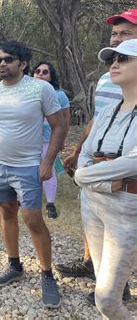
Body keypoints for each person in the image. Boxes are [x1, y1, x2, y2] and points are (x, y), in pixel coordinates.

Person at [57, 9, 136, 302]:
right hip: (95, 165)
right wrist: (79, 150)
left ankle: (117, 287)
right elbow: (99, 118)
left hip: (123, 177)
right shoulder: (107, 79)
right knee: (93, 214)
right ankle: (93, 265)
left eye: (125, 33)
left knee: (122, 231)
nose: (117, 38)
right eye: (115, 34)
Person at [0, 40, 65, 308]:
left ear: (23, 63)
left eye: (9, 59)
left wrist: (47, 161)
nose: (2, 63)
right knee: (6, 211)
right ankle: (14, 265)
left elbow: (59, 126)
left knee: (33, 219)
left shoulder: (40, 88)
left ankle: (47, 275)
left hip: (28, 167)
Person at [74, 38, 137, 319]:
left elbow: (132, 161)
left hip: (126, 209)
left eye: (124, 59)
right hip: (93, 203)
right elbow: (85, 153)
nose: (114, 64)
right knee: (102, 284)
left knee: (107, 299)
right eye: (112, 59)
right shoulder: (107, 111)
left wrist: (85, 175)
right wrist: (96, 177)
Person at [32, 61, 70, 219]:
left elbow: (65, 120)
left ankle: (50, 204)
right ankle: (28, 199)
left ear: (51, 76)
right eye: (37, 71)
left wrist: (61, 140)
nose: (40, 74)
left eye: (45, 72)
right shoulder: (27, 92)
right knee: (31, 169)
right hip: (30, 139)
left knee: (49, 169)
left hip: (49, 139)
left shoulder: (59, 95)